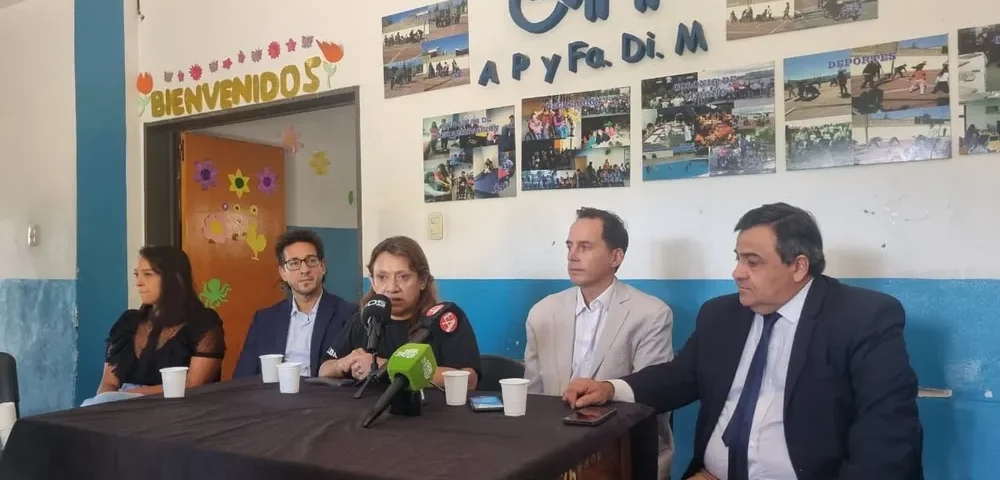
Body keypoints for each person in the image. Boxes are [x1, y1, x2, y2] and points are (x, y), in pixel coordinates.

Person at [563, 203, 923, 480]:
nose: (737, 273)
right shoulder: (721, 315)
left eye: (753, 262)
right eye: (738, 259)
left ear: (799, 267)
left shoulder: (861, 319)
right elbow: (679, 378)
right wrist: (610, 388)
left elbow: (887, 439)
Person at [523, 207, 675, 478]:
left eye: (585, 247)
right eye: (569, 246)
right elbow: (533, 398)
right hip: (553, 448)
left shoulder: (651, 314)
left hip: (621, 450)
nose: (572, 256)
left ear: (616, 257)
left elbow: (650, 399)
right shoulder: (543, 312)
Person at [317, 236, 482, 388]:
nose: (392, 288)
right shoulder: (363, 320)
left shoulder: (444, 319)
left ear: (423, 280)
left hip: (429, 409)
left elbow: (468, 380)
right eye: (382, 277)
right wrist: (344, 363)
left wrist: (382, 367)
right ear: (372, 282)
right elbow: (324, 369)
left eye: (403, 277)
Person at [82, 246, 225, 406]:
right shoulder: (127, 322)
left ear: (173, 278)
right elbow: (109, 383)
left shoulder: (203, 323)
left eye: (148, 274)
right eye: (136, 274)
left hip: (178, 409)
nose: (138, 283)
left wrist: (129, 395)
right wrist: (106, 403)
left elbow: (193, 385)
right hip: (122, 408)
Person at [234, 230, 359, 379]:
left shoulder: (348, 314)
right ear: (283, 272)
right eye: (294, 263)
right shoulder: (264, 320)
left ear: (323, 266)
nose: (304, 270)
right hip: (274, 392)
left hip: (324, 393)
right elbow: (242, 376)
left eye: (311, 261)